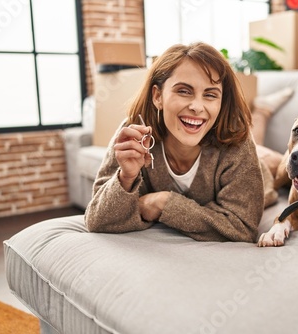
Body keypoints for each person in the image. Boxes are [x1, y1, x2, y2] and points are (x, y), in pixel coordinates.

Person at [84, 42, 266, 243]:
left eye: (210, 95)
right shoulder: (134, 133)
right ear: (157, 96)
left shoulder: (237, 140)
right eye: (184, 91)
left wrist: (163, 203)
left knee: (273, 163)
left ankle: (264, 115)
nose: (197, 107)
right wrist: (126, 178)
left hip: (265, 174)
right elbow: (97, 220)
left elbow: (242, 228)